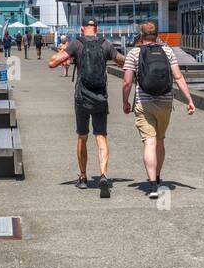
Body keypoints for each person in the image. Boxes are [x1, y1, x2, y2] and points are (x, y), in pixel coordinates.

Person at [48, 18, 124, 196]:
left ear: (83, 29)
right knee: (101, 137)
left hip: (82, 97)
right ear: (96, 29)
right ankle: (104, 175)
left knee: (82, 137)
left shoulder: (77, 44)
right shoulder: (106, 44)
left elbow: (52, 63)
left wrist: (63, 54)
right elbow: (122, 61)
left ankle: (83, 177)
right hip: (100, 98)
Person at [121, 21, 196, 199]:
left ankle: (152, 184)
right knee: (160, 141)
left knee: (149, 142)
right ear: (156, 35)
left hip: (144, 102)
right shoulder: (167, 51)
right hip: (165, 102)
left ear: (141, 35)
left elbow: (127, 82)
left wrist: (125, 101)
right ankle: (159, 177)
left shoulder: (134, 53)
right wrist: (189, 100)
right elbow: (178, 76)